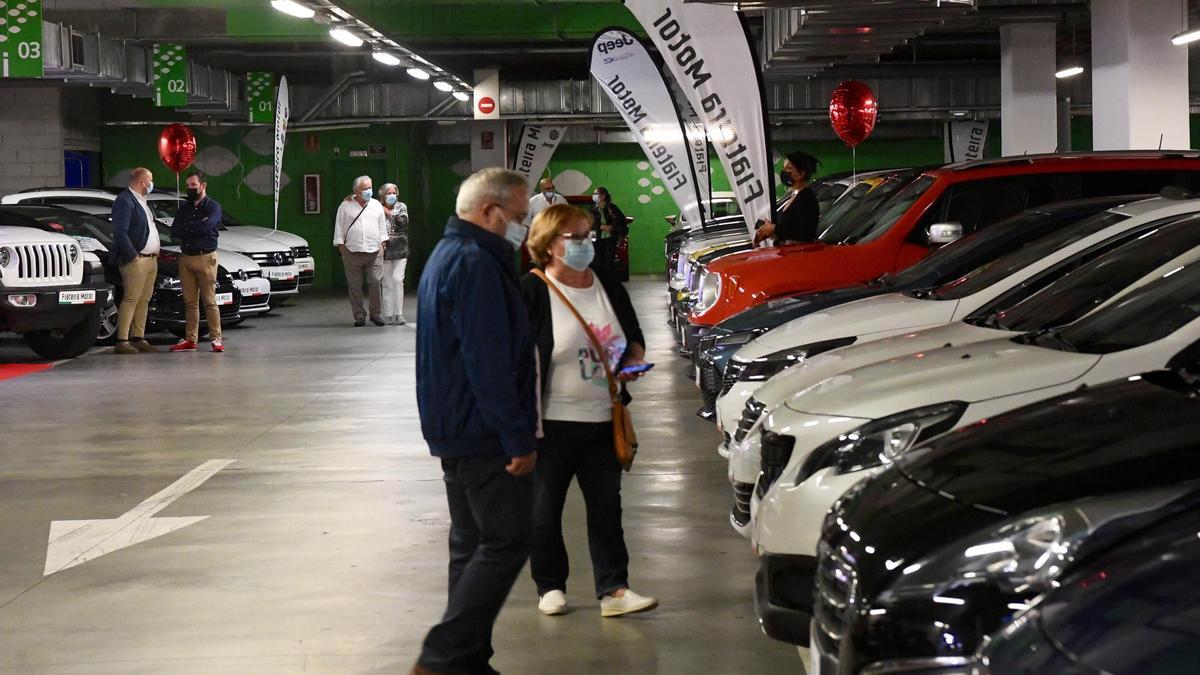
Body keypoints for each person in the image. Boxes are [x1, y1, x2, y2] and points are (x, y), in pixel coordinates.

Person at [412, 168, 538, 675]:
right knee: (507, 539)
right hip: (481, 430)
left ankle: (464, 660)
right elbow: (488, 361)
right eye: (519, 218)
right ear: (490, 212)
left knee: (470, 543)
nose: (523, 228)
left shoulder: (447, 255)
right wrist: (517, 437)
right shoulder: (476, 264)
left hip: (455, 426)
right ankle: (442, 658)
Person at [521, 203, 657, 619]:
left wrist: (632, 362)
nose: (586, 243)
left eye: (588, 235)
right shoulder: (531, 290)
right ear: (548, 244)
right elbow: (514, 357)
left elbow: (632, 335)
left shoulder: (606, 283)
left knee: (607, 508)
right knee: (545, 509)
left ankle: (614, 589)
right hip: (551, 424)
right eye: (575, 237)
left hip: (604, 417)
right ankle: (550, 585)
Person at [168, 171, 225, 353]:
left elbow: (208, 226)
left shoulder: (213, 207)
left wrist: (189, 228)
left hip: (205, 257)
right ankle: (190, 339)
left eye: (193, 185)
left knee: (209, 301)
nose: (190, 189)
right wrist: (195, 227)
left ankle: (216, 338)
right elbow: (175, 230)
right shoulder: (184, 208)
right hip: (186, 258)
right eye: (188, 186)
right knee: (190, 303)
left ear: (203, 185)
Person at [110, 167, 161, 355]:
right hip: (136, 260)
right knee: (131, 298)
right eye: (151, 180)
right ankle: (122, 340)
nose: (151, 184)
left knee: (144, 299)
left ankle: (138, 337)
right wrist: (134, 255)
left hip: (150, 259)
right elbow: (120, 232)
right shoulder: (124, 201)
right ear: (142, 181)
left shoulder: (142, 200)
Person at [333, 176, 390, 326]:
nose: (369, 191)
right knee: (355, 286)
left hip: (375, 251)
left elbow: (382, 226)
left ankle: (375, 314)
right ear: (356, 191)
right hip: (352, 251)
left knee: (375, 282)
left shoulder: (376, 205)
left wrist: (382, 244)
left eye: (370, 187)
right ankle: (359, 315)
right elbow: (339, 228)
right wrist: (341, 248)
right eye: (365, 189)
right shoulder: (345, 206)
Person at [752, 151, 821, 246]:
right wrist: (770, 230)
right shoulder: (795, 195)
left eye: (789, 168)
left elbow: (805, 232)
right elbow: (789, 228)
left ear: (801, 174)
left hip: (797, 254)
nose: (784, 172)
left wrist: (774, 229)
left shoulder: (806, 198)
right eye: (784, 168)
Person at [379, 183, 409, 325]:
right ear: (382, 195)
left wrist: (387, 212)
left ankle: (399, 314)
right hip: (384, 250)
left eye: (394, 192)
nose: (392, 195)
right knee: (387, 283)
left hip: (400, 249)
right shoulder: (376, 208)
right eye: (389, 193)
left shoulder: (401, 207)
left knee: (398, 280)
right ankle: (388, 315)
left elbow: (402, 222)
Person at [589, 187, 627, 278]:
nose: (593, 196)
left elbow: (622, 220)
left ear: (602, 196)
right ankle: (599, 282)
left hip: (610, 239)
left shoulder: (611, 207)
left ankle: (609, 282)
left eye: (596, 194)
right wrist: (600, 227)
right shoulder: (592, 209)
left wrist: (613, 226)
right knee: (597, 262)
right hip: (596, 239)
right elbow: (588, 223)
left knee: (608, 262)